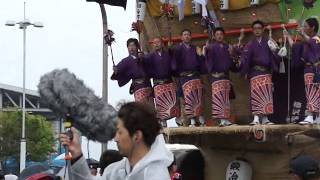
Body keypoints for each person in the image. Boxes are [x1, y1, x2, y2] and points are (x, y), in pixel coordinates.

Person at [60, 102, 173, 180]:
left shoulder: (156, 175)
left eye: (120, 132)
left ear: (137, 136)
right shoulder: (115, 171)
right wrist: (77, 154)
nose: (115, 139)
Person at [240, 20, 280, 125]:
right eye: (255, 28)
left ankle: (266, 118)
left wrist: (275, 50)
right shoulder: (250, 44)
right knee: (256, 95)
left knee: (266, 95)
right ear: (253, 31)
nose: (257, 30)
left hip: (266, 71)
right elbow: (245, 59)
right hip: (255, 72)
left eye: (259, 28)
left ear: (262, 30)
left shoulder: (268, 41)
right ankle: (256, 118)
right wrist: (245, 71)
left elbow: (276, 53)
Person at [143, 37, 181, 127]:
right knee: (160, 104)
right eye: (154, 43)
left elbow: (174, 61)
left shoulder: (167, 54)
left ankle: (178, 119)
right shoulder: (150, 56)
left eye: (158, 42)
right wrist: (142, 57)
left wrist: (171, 49)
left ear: (162, 44)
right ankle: (163, 121)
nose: (156, 44)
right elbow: (144, 63)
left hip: (168, 81)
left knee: (173, 101)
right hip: (158, 83)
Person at [204, 27, 238, 126]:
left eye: (221, 34)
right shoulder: (211, 47)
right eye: (217, 34)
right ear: (214, 36)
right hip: (216, 76)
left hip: (225, 76)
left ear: (223, 36)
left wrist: (233, 54)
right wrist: (207, 51)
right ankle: (221, 120)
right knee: (218, 98)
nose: (219, 36)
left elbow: (232, 63)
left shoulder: (227, 46)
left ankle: (226, 119)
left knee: (225, 99)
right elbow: (208, 61)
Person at [172, 29, 205, 127]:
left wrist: (201, 55)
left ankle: (200, 118)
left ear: (190, 37)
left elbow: (200, 61)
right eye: (184, 35)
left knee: (198, 98)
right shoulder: (178, 49)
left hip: (195, 75)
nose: (186, 36)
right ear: (181, 37)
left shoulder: (195, 48)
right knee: (188, 99)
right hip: (184, 77)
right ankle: (192, 120)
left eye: (188, 35)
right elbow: (173, 60)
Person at [111, 38, 153, 104]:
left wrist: (144, 58)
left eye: (133, 45)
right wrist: (116, 71)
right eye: (129, 46)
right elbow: (118, 73)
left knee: (151, 109)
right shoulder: (125, 61)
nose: (131, 48)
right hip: (138, 87)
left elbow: (151, 63)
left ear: (137, 47)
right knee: (142, 109)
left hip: (148, 86)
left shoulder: (143, 56)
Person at [295, 18, 320, 124]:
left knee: (312, 92)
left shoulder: (317, 39)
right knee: (312, 92)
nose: (304, 28)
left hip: (314, 69)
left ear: (312, 27)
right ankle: (317, 117)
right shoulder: (307, 40)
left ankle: (310, 116)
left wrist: (301, 33)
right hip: (308, 69)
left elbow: (313, 43)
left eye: (306, 26)